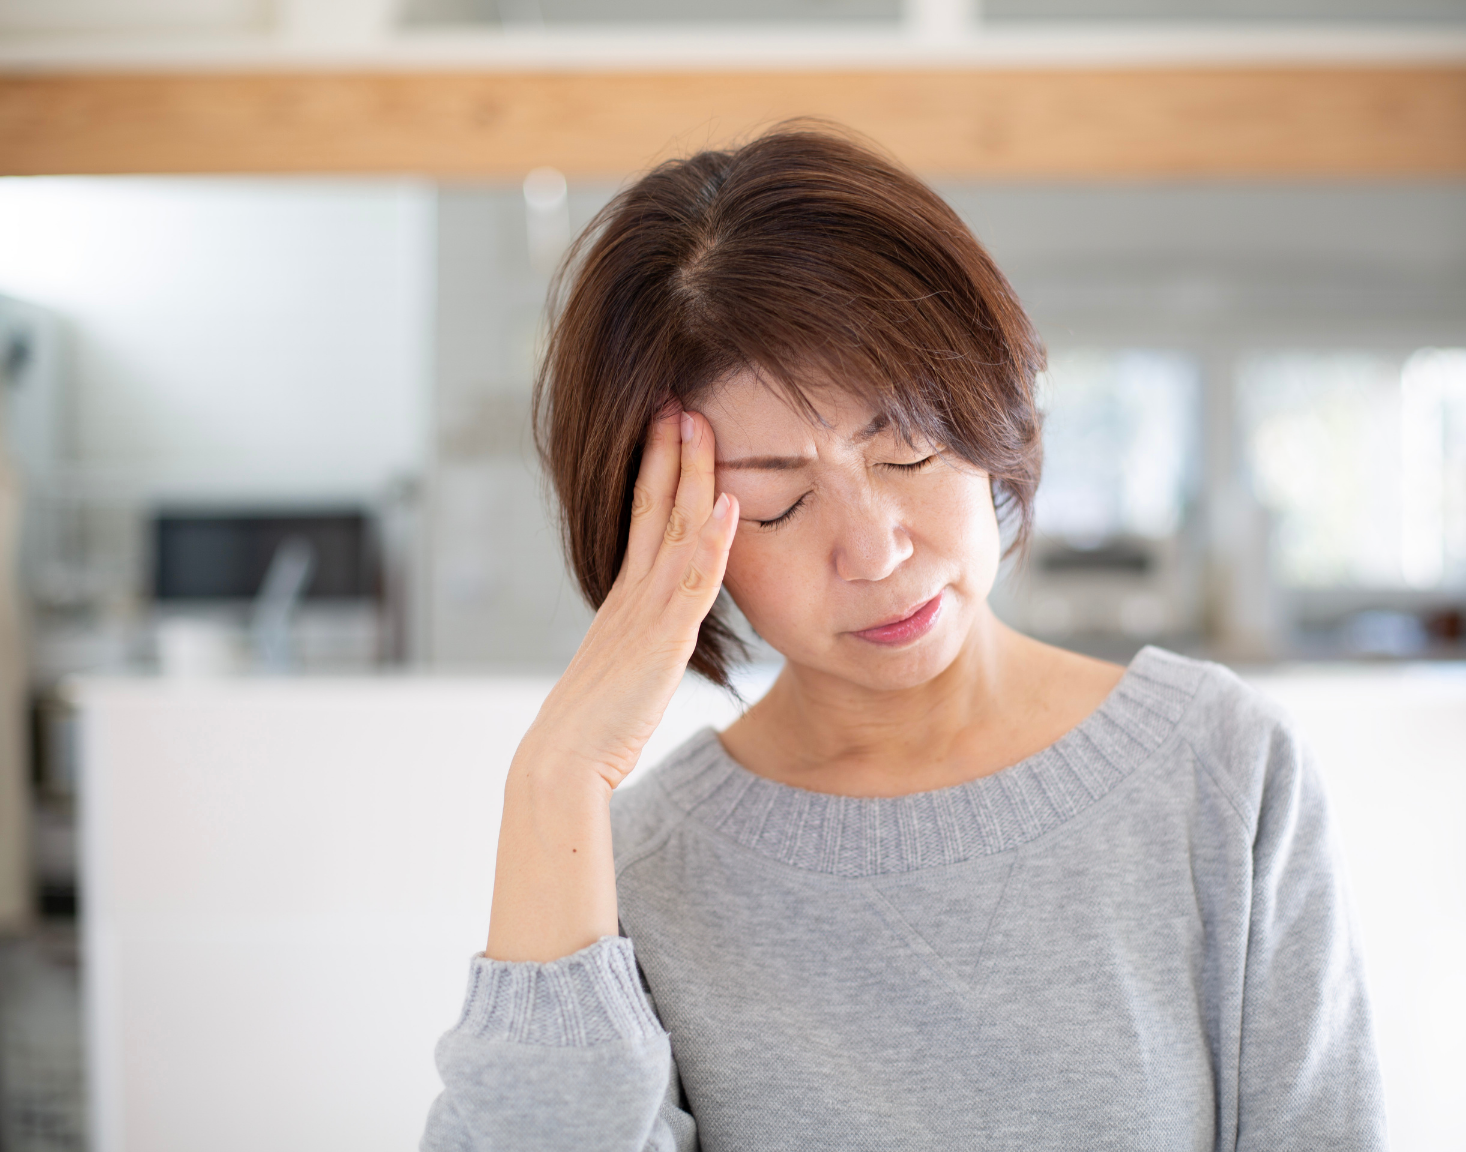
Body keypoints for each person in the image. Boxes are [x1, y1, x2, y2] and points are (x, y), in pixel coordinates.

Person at [421, 124, 1386, 1152]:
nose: (875, 549)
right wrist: (553, 781)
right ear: (662, 535)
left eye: (907, 445)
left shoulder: (1220, 774)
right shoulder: (628, 880)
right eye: (781, 505)